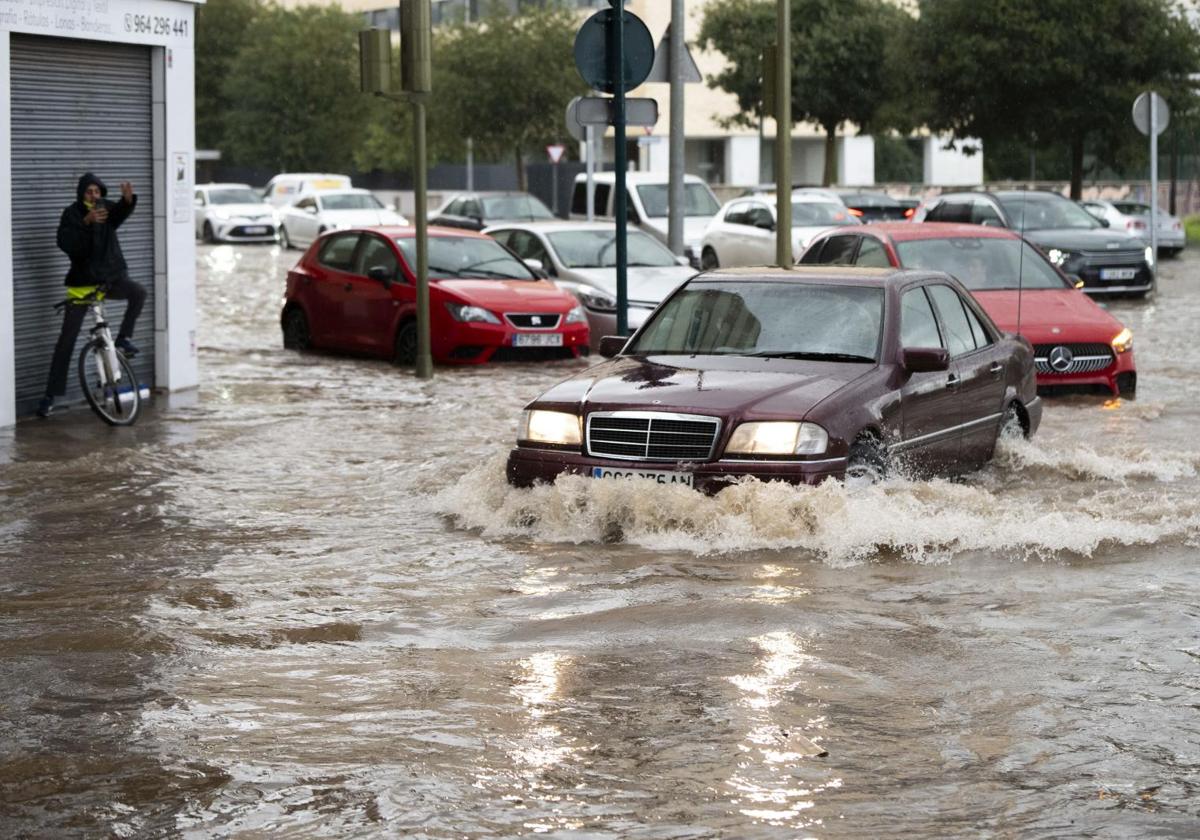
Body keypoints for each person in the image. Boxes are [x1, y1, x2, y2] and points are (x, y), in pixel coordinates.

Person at [37, 173, 146, 417]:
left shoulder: (106, 209)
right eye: (89, 192)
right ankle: (50, 396)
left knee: (138, 292)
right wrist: (85, 222)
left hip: (108, 280)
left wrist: (127, 202)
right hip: (82, 284)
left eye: (97, 191)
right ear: (81, 193)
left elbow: (118, 215)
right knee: (66, 341)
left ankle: (123, 339)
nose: (94, 196)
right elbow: (65, 243)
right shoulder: (72, 214)